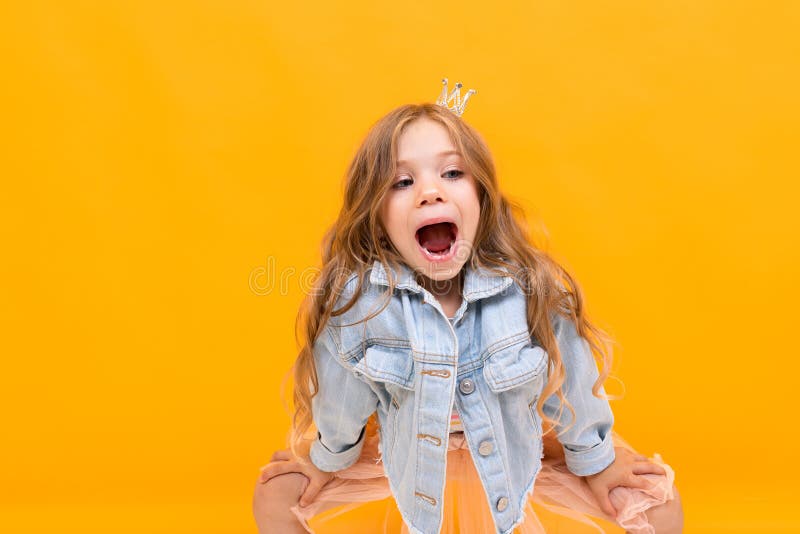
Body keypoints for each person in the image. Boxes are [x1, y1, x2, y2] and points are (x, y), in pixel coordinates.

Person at [253, 79, 684, 534]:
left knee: (658, 502)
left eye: (452, 173)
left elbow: (571, 381)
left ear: (481, 198)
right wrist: (326, 459)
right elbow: (341, 398)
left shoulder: (527, 288)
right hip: (408, 449)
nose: (430, 192)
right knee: (275, 494)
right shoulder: (364, 305)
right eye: (403, 181)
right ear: (377, 219)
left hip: (511, 440)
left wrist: (597, 462)